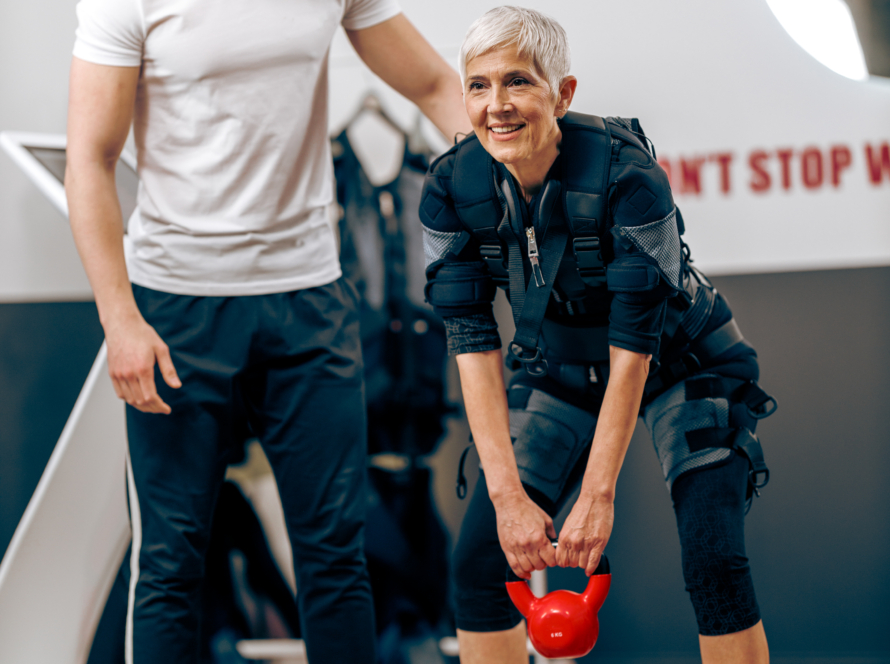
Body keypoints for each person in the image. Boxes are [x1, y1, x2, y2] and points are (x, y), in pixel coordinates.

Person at [64, 0, 471, 661]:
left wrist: (519, 171)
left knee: (337, 558)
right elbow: (90, 157)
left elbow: (432, 86)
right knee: (171, 562)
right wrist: (121, 320)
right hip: (178, 305)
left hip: (309, 297)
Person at [419, 6, 775, 663]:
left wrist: (597, 498)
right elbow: (471, 341)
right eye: (478, 85)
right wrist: (507, 501)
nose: (496, 105)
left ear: (563, 93)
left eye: (518, 82)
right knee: (479, 560)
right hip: (558, 368)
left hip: (682, 360)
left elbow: (633, 345)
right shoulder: (449, 187)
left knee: (712, 556)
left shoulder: (629, 178)